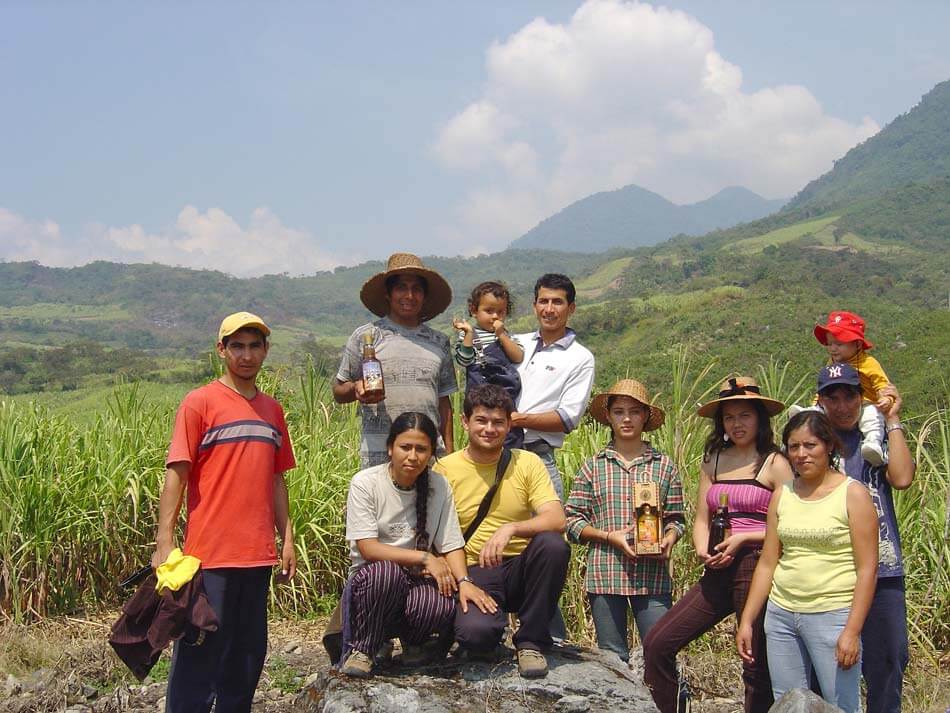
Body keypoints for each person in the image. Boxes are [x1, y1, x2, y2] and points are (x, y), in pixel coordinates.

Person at [152, 312, 296, 713]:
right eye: (237, 346)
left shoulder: (272, 410)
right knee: (199, 649)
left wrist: (287, 538)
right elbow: (177, 473)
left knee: (247, 653)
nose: (246, 355)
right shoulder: (199, 403)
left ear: (265, 350)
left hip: (257, 555)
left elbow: (276, 479)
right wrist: (164, 540)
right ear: (222, 350)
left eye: (254, 346)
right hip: (208, 555)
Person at [644, 376, 793, 713]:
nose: (737, 424)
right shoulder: (713, 458)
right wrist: (701, 549)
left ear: (760, 418)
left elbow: (787, 526)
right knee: (658, 643)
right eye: (729, 417)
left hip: (756, 564)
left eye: (745, 415)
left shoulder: (775, 462)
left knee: (754, 662)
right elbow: (701, 517)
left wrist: (742, 538)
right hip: (717, 567)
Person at [736, 411, 878, 713]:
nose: (801, 454)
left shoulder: (852, 494)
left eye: (810, 445)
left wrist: (851, 632)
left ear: (828, 446)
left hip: (832, 615)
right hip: (782, 616)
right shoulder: (783, 494)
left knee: (840, 705)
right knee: (788, 703)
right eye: (793, 446)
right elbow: (768, 562)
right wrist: (748, 619)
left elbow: (868, 569)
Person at [339, 412, 496, 678]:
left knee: (441, 599)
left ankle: (414, 644)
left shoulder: (438, 485)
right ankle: (364, 648)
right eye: (405, 447)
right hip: (372, 582)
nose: (413, 456)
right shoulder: (365, 483)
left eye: (421, 449)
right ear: (391, 448)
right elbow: (368, 548)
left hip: (415, 581)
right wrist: (424, 558)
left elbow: (450, 542)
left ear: (432, 453)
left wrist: (465, 581)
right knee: (386, 574)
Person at [434, 384, 569, 678]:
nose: (489, 429)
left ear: (509, 425)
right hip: (474, 569)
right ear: (465, 422)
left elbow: (557, 519)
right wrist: (463, 581)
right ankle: (488, 634)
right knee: (476, 635)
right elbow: (439, 537)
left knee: (553, 545)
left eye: (498, 422)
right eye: (481, 420)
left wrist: (512, 528)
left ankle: (531, 641)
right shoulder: (445, 470)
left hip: (521, 567)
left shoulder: (527, 462)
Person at [564, 379, 685, 664]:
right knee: (612, 658)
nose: (627, 418)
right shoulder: (593, 466)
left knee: (660, 653)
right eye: (619, 411)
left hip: (652, 576)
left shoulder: (664, 466)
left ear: (645, 416)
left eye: (634, 411)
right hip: (606, 574)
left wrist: (669, 538)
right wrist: (608, 537)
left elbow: (677, 519)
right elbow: (571, 521)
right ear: (608, 416)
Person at [815, 362, 913, 713]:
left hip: (883, 571)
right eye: (833, 398)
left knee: (888, 661)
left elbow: (901, 478)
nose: (842, 406)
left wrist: (893, 419)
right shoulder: (814, 445)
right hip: (832, 573)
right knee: (830, 669)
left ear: (861, 397)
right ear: (821, 401)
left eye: (849, 397)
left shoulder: (877, 436)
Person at [334, 252, 458, 467]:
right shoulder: (366, 337)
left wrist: (450, 455)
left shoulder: (439, 342)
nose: (409, 295)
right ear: (388, 294)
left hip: (427, 454)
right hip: (378, 454)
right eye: (401, 287)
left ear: (425, 296)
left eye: (416, 289)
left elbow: (444, 402)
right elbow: (338, 392)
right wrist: (356, 388)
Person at [511, 273, 595, 500]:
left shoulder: (580, 358)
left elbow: (567, 418)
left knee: (548, 529)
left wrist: (515, 419)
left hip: (538, 455)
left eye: (557, 302)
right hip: (497, 451)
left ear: (571, 308)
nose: (549, 309)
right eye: (543, 301)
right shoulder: (516, 342)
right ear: (534, 306)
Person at [796, 310, 892, 466]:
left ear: (858, 344)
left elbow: (881, 383)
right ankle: (808, 414)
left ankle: (873, 444)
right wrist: (816, 404)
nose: (833, 348)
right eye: (830, 343)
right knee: (820, 410)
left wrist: (886, 398)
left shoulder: (869, 363)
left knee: (872, 419)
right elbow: (823, 387)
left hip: (867, 403)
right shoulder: (833, 362)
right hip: (838, 409)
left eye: (839, 344)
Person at [452, 281, 525, 447]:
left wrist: (502, 335)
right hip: (479, 396)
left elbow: (518, 357)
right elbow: (464, 360)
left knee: (510, 436)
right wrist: (469, 333)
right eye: (489, 311)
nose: (495, 317)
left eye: (500, 312)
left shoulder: (507, 336)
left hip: (505, 397)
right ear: (474, 310)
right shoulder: (468, 336)